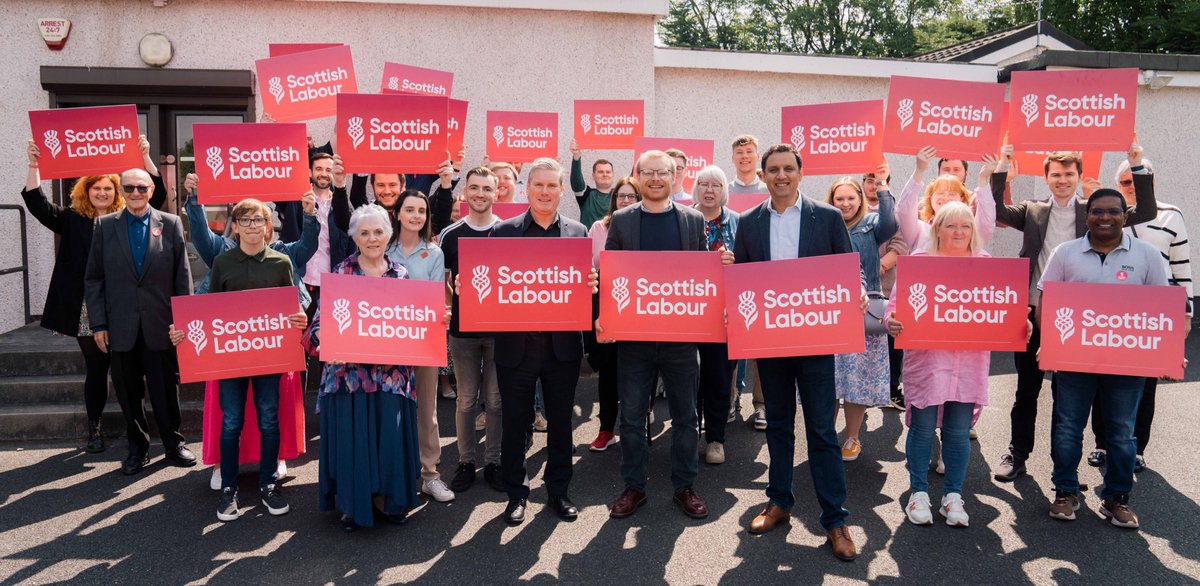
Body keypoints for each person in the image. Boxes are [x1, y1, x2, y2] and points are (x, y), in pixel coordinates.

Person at [991, 137, 1158, 482]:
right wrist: (1002, 167)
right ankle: (1017, 453)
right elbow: (995, 211)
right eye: (1055, 174)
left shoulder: (1095, 213)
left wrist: (1137, 165)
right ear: (1047, 177)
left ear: (1079, 176)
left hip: (1082, 322)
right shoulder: (1033, 210)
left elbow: (1145, 212)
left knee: (1071, 397)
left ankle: (1067, 468)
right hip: (1035, 314)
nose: (1062, 179)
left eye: (1068, 173)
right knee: (1027, 390)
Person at [733, 144, 865, 562]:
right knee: (778, 427)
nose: (781, 175)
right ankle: (779, 502)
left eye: (788, 168)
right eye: (773, 169)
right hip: (770, 343)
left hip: (815, 342)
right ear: (764, 174)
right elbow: (742, 278)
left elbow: (848, 266)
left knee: (823, 432)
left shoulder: (825, 217)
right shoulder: (750, 222)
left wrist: (857, 290)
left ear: (800, 173)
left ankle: (835, 520)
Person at [598, 149, 730, 521]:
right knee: (633, 417)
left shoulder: (691, 220)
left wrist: (719, 267)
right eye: (648, 172)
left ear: (675, 177)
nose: (655, 178)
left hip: (681, 339)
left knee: (687, 417)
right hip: (635, 340)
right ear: (638, 176)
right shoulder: (622, 221)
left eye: (663, 172)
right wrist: (605, 316)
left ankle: (684, 487)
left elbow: (702, 274)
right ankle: (634, 487)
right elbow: (612, 276)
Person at [1039, 188, 1175, 529]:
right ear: (1087, 216)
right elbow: (1047, 303)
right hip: (1073, 361)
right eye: (1097, 211)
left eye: (1113, 211)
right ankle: (1066, 492)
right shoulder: (1065, 253)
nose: (1104, 217)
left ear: (1125, 216)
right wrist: (1051, 343)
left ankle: (1117, 498)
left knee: (1122, 433)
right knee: (1067, 429)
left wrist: (1167, 355)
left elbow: (1162, 310)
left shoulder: (1148, 256)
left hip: (1126, 365)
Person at [887, 202, 1027, 527]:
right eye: (952, 226)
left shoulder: (986, 264)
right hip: (927, 361)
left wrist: (1021, 325)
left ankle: (953, 496)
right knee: (921, 428)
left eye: (966, 226)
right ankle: (918, 493)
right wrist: (893, 320)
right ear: (937, 230)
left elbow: (1005, 310)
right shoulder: (919, 263)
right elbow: (895, 306)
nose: (959, 232)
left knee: (958, 431)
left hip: (969, 363)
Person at [183, 174, 316, 492]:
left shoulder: (283, 256)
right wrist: (194, 198)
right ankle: (220, 465)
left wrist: (311, 214)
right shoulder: (222, 255)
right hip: (231, 350)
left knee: (272, 412)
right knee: (229, 415)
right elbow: (201, 239)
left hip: (272, 348)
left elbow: (308, 248)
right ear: (236, 224)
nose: (253, 225)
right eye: (246, 219)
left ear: (269, 225)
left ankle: (277, 460)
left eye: (260, 219)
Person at [485, 157, 596, 525]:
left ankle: (558, 491)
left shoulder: (578, 232)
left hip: (562, 348)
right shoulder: (503, 232)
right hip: (516, 347)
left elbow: (585, 289)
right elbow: (492, 287)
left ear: (562, 191)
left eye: (553, 186)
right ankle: (517, 494)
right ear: (527, 188)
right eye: (539, 185)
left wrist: (590, 287)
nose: (546, 192)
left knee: (561, 424)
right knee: (516, 425)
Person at [303, 204, 420, 532]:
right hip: (349, 377)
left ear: (389, 234)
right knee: (355, 441)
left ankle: (389, 500)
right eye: (364, 233)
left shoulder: (402, 275)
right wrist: (326, 343)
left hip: (391, 377)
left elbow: (412, 325)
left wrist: (434, 323)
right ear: (354, 237)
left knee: (389, 440)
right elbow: (317, 326)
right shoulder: (340, 274)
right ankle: (355, 505)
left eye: (378, 232)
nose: (372, 239)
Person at [84, 168, 194, 475]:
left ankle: (174, 444)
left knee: (165, 391)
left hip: (161, 325)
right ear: (122, 190)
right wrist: (99, 324)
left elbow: (182, 277)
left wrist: (182, 320)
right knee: (129, 394)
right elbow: (94, 279)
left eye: (142, 188)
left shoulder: (170, 224)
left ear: (150, 191)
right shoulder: (105, 226)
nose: (135, 193)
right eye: (129, 188)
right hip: (120, 327)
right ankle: (137, 449)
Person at [1086, 159, 1192, 472]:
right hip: (1110, 311)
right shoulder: (1110, 215)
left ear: (1150, 181)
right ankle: (1102, 444)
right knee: (1103, 379)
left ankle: (1138, 447)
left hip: (1154, 313)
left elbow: (1182, 268)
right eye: (1124, 182)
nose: (1129, 187)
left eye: (1135, 181)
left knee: (1145, 383)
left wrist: (1186, 314)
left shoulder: (1172, 215)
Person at [438, 167, 505, 493]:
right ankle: (466, 462)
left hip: (499, 331)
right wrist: (455, 294)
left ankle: (493, 461)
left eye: (487, 189)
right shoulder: (451, 234)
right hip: (462, 331)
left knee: (494, 401)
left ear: (496, 193)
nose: (480, 194)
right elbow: (443, 282)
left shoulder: (508, 232)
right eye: (475, 188)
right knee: (466, 400)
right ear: (465, 191)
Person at [386, 189, 454, 504]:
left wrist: (445, 311)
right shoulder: (383, 249)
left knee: (427, 410)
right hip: (388, 342)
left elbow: (439, 296)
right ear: (397, 213)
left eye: (421, 211)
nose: (416, 216)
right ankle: (396, 474)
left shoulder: (434, 253)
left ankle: (430, 475)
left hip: (424, 340)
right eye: (410, 210)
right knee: (392, 410)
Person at [826, 170, 896, 462]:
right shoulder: (824, 226)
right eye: (839, 198)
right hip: (829, 312)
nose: (845, 203)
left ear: (860, 199)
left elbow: (891, 222)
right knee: (827, 380)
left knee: (856, 380)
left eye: (850, 198)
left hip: (864, 311)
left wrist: (881, 186)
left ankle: (852, 437)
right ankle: (825, 436)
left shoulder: (872, 225)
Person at [585, 176, 641, 452]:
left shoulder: (646, 226)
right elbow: (592, 267)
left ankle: (637, 428)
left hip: (641, 310)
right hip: (607, 308)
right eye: (622, 196)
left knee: (640, 371)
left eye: (631, 196)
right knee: (608, 371)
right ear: (614, 199)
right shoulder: (599, 227)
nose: (626, 200)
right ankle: (606, 429)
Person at [692, 165, 739, 465]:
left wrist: (735, 263)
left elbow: (751, 262)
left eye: (716, 185)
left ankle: (716, 439)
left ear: (724, 191)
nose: (709, 190)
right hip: (687, 310)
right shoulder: (682, 218)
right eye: (703, 184)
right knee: (688, 375)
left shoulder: (738, 223)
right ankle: (689, 431)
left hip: (725, 315)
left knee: (720, 376)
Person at [896, 146, 997, 254]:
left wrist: (984, 179)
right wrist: (919, 170)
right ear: (930, 198)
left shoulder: (970, 230)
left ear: (961, 198)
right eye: (940, 193)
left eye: (952, 194)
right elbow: (904, 211)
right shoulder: (919, 230)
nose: (945, 198)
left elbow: (987, 220)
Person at [299, 153, 354, 325]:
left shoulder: (342, 207)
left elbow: (350, 248)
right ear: (310, 172)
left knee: (323, 342)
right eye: (319, 169)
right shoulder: (297, 202)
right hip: (300, 284)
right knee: (298, 343)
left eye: (328, 170)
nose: (323, 173)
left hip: (329, 286)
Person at [569, 138, 615, 228]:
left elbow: (634, 182)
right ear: (593, 176)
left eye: (608, 172)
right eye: (600, 172)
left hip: (613, 242)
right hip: (590, 241)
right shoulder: (586, 195)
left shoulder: (620, 195)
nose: (605, 174)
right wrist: (576, 157)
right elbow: (576, 180)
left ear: (613, 174)